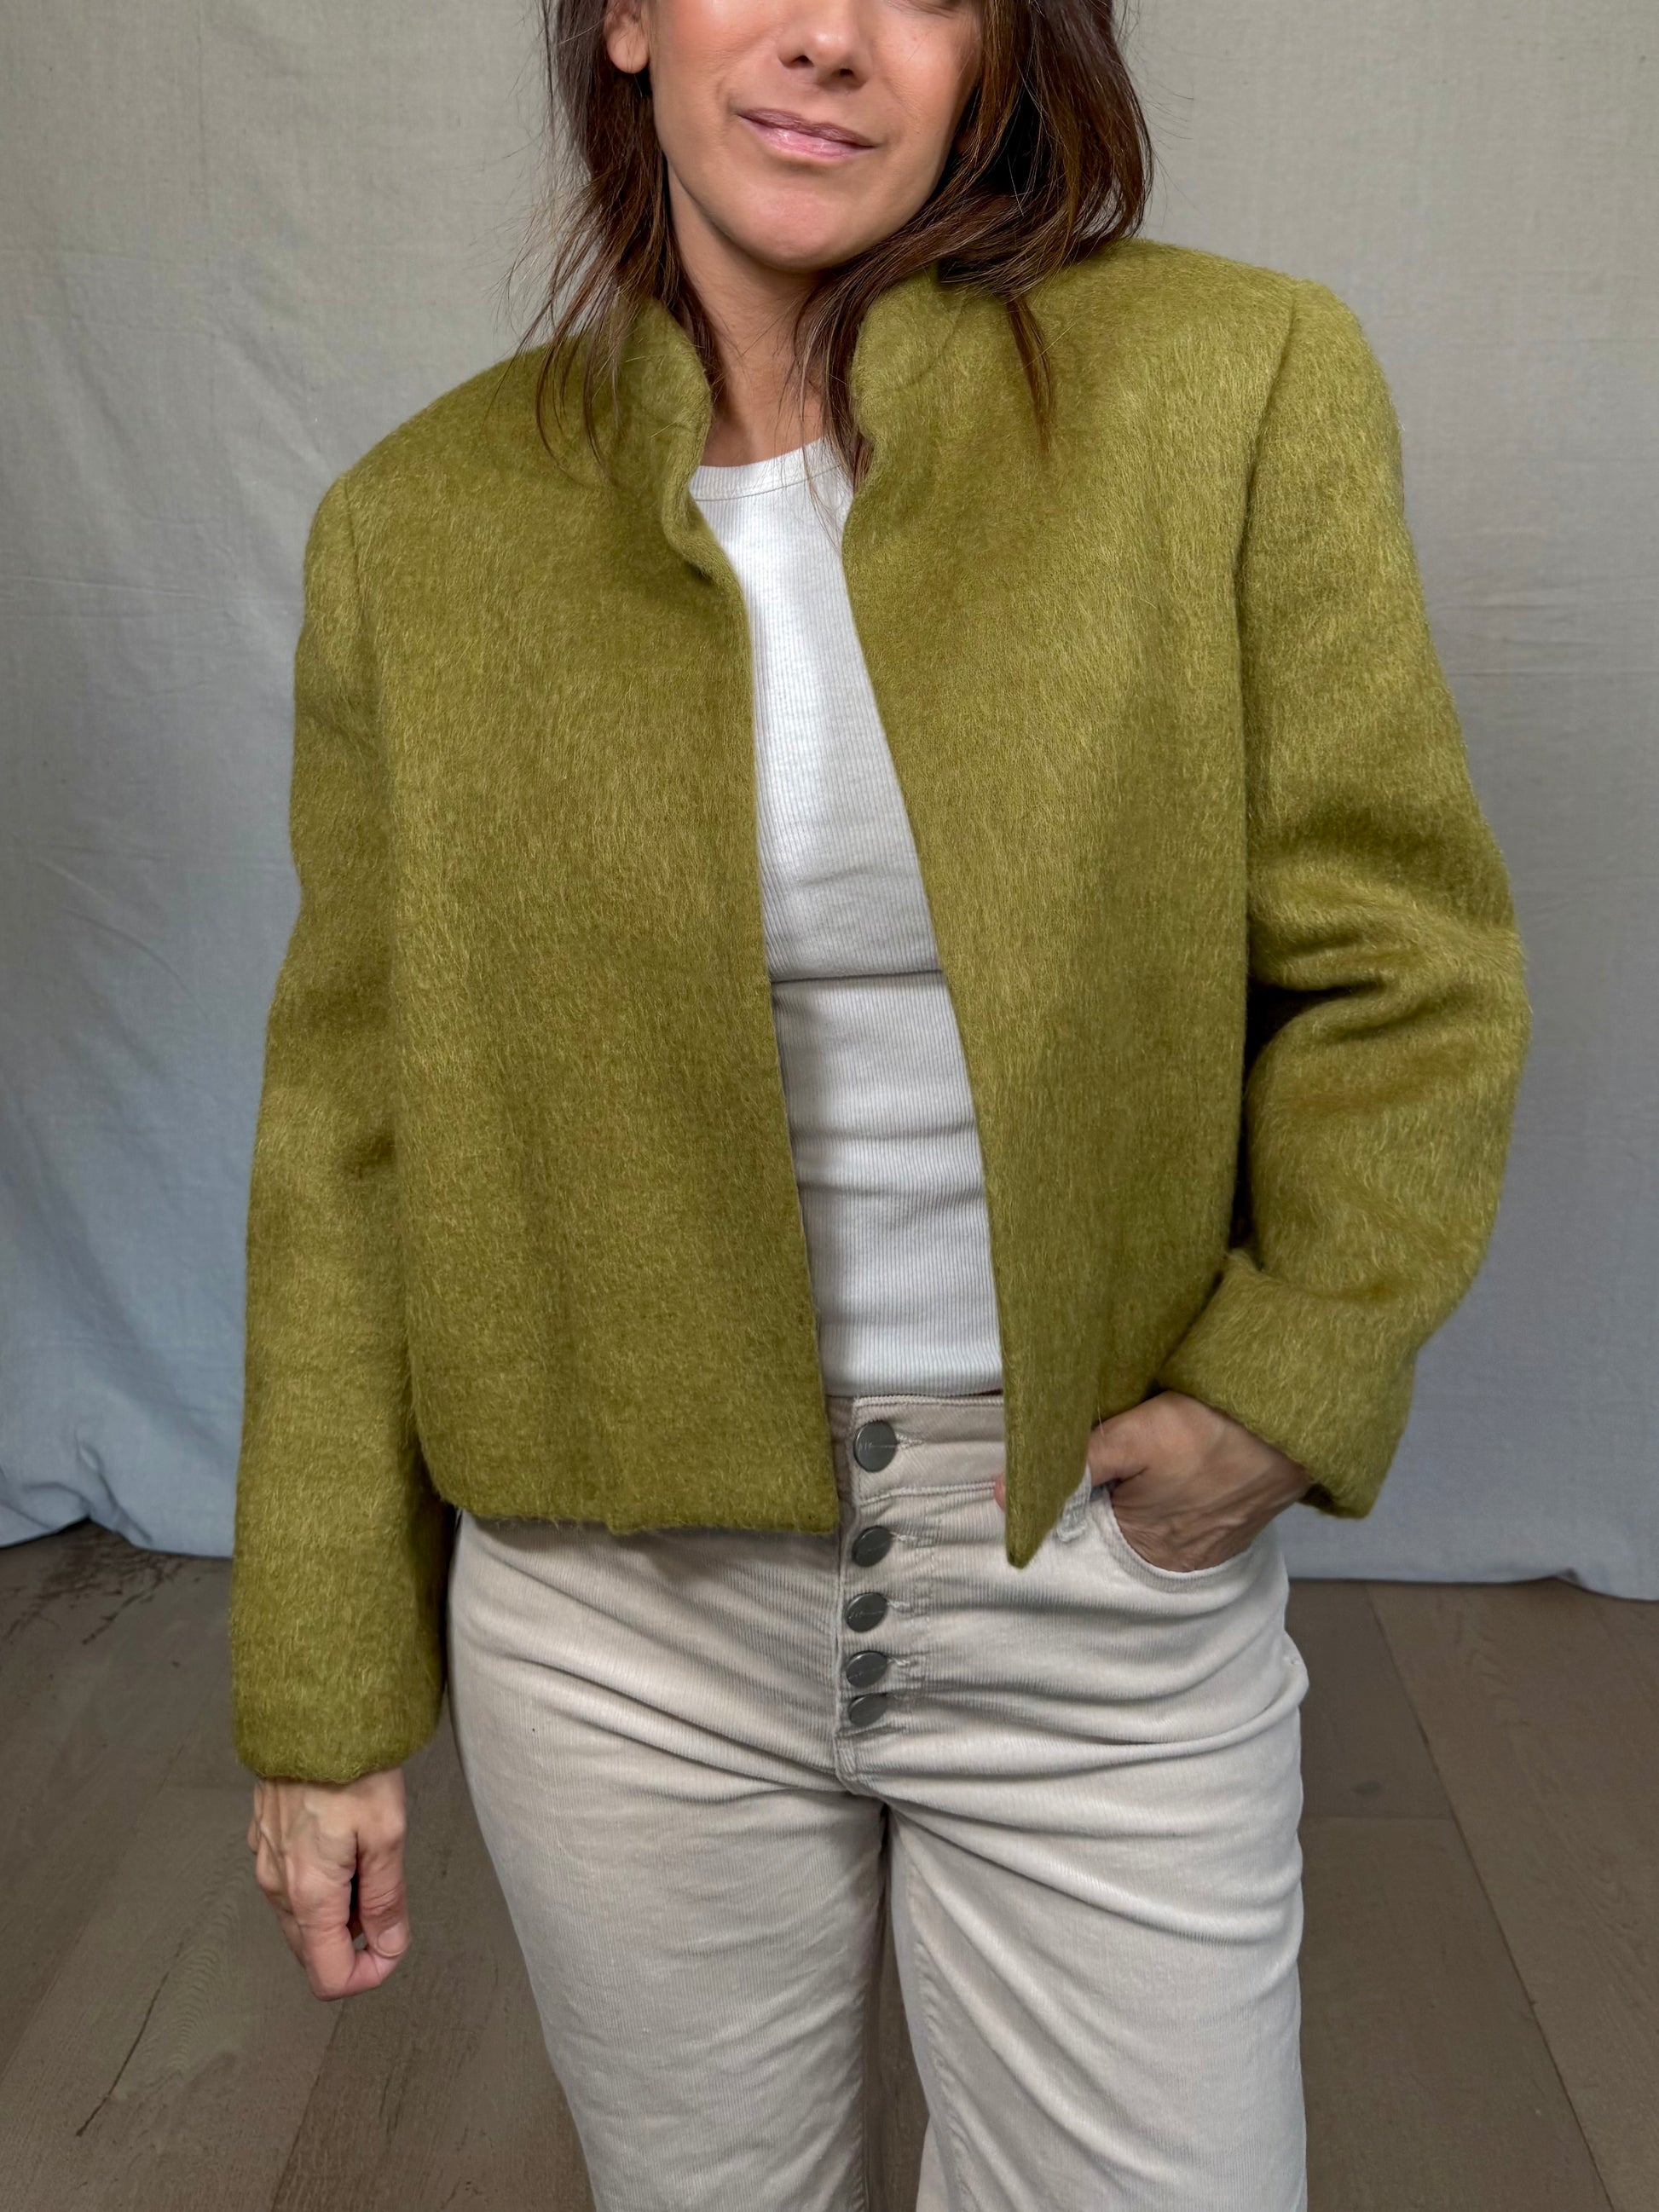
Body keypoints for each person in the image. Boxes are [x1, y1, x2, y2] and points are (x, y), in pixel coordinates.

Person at [231, 0, 1531, 2203]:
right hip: (612, 1618)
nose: (829, 38)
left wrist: (1288, 1379)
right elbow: (352, 1138)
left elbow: (1404, 964)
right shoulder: (419, 530)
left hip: (1079, 1553)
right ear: (625, 21)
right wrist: (324, 1687)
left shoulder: (1229, 389)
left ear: (1001, 46)